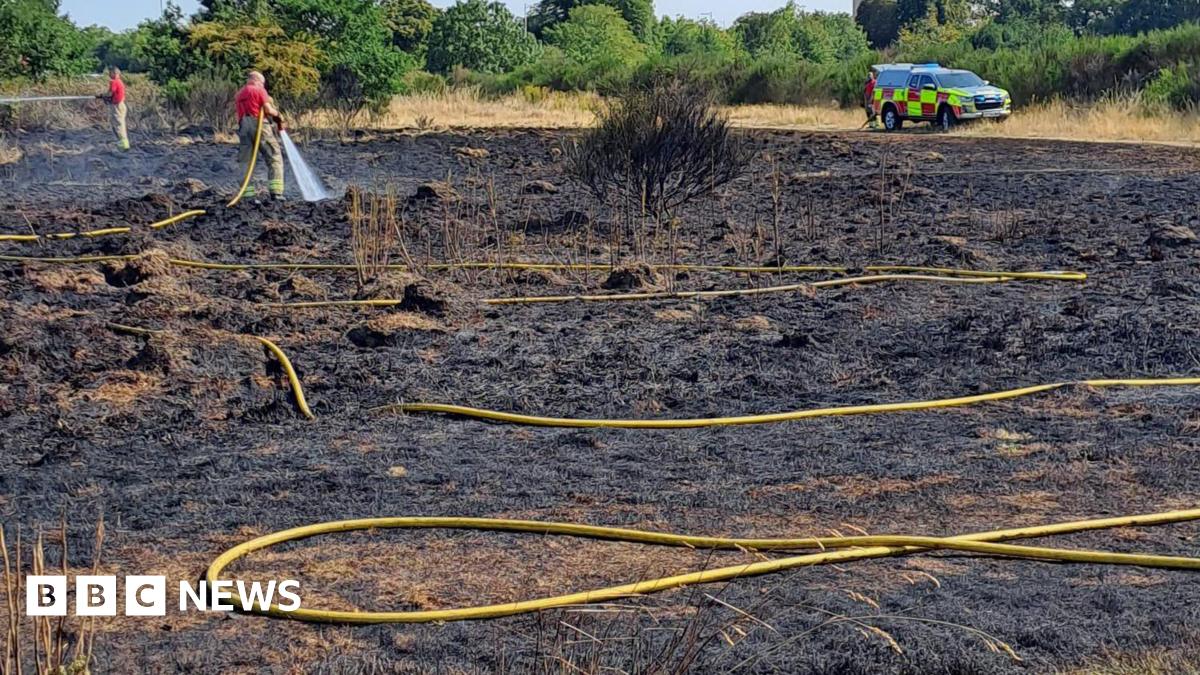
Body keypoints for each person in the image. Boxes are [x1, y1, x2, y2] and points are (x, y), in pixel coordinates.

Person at [233, 71, 286, 201]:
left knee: (245, 161)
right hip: (260, 125)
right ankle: (276, 192)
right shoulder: (259, 90)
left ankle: (248, 195)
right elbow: (268, 110)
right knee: (274, 156)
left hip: (243, 127)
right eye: (262, 83)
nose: (263, 86)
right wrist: (278, 115)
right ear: (257, 80)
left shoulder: (239, 94)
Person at [99, 66, 130, 151]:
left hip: (117, 106)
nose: (109, 74)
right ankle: (121, 143)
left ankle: (124, 144)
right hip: (119, 105)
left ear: (115, 73)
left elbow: (110, 93)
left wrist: (103, 96)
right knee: (116, 123)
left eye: (110, 72)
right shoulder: (120, 82)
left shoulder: (114, 82)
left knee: (118, 124)